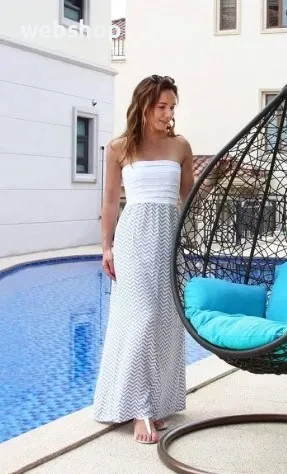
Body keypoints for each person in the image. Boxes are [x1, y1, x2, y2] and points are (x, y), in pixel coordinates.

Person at [93, 75, 195, 444]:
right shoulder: (119, 147)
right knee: (142, 317)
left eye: (172, 107)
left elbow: (188, 198)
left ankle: (159, 401)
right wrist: (106, 247)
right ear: (144, 106)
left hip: (169, 237)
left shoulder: (180, 146)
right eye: (161, 106)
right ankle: (140, 409)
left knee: (166, 320)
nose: (168, 113)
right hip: (134, 237)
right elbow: (110, 201)